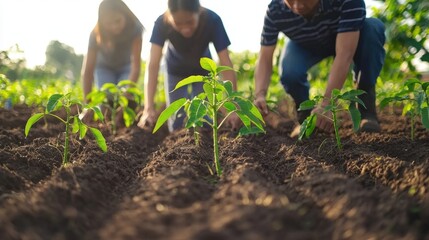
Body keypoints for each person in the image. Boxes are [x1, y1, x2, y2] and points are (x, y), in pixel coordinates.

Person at [253, 0, 386, 137]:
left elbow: (344, 54)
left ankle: (366, 109)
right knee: (290, 71)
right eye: (290, 0)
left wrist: (326, 103)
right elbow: (265, 57)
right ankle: (305, 118)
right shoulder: (275, 10)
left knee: (372, 28)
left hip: (348, 36)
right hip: (305, 44)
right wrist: (260, 94)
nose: (298, 6)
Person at [137, 0, 240, 132]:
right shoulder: (161, 23)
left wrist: (233, 105)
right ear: (169, 16)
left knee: (205, 119)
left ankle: (203, 146)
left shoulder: (212, 20)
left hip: (203, 72)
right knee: (177, 121)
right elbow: (153, 65)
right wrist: (148, 107)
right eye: (178, 23)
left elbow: (226, 62)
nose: (185, 28)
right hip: (175, 70)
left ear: (199, 12)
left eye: (190, 22)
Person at [81, 0, 144, 112]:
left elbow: (136, 66)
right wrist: (88, 106)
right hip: (104, 68)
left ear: (125, 14)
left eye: (118, 21)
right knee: (106, 100)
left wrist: (127, 93)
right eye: (108, 23)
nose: (114, 27)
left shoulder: (135, 28)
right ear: (101, 22)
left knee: (127, 99)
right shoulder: (95, 34)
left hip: (126, 67)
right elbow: (88, 71)